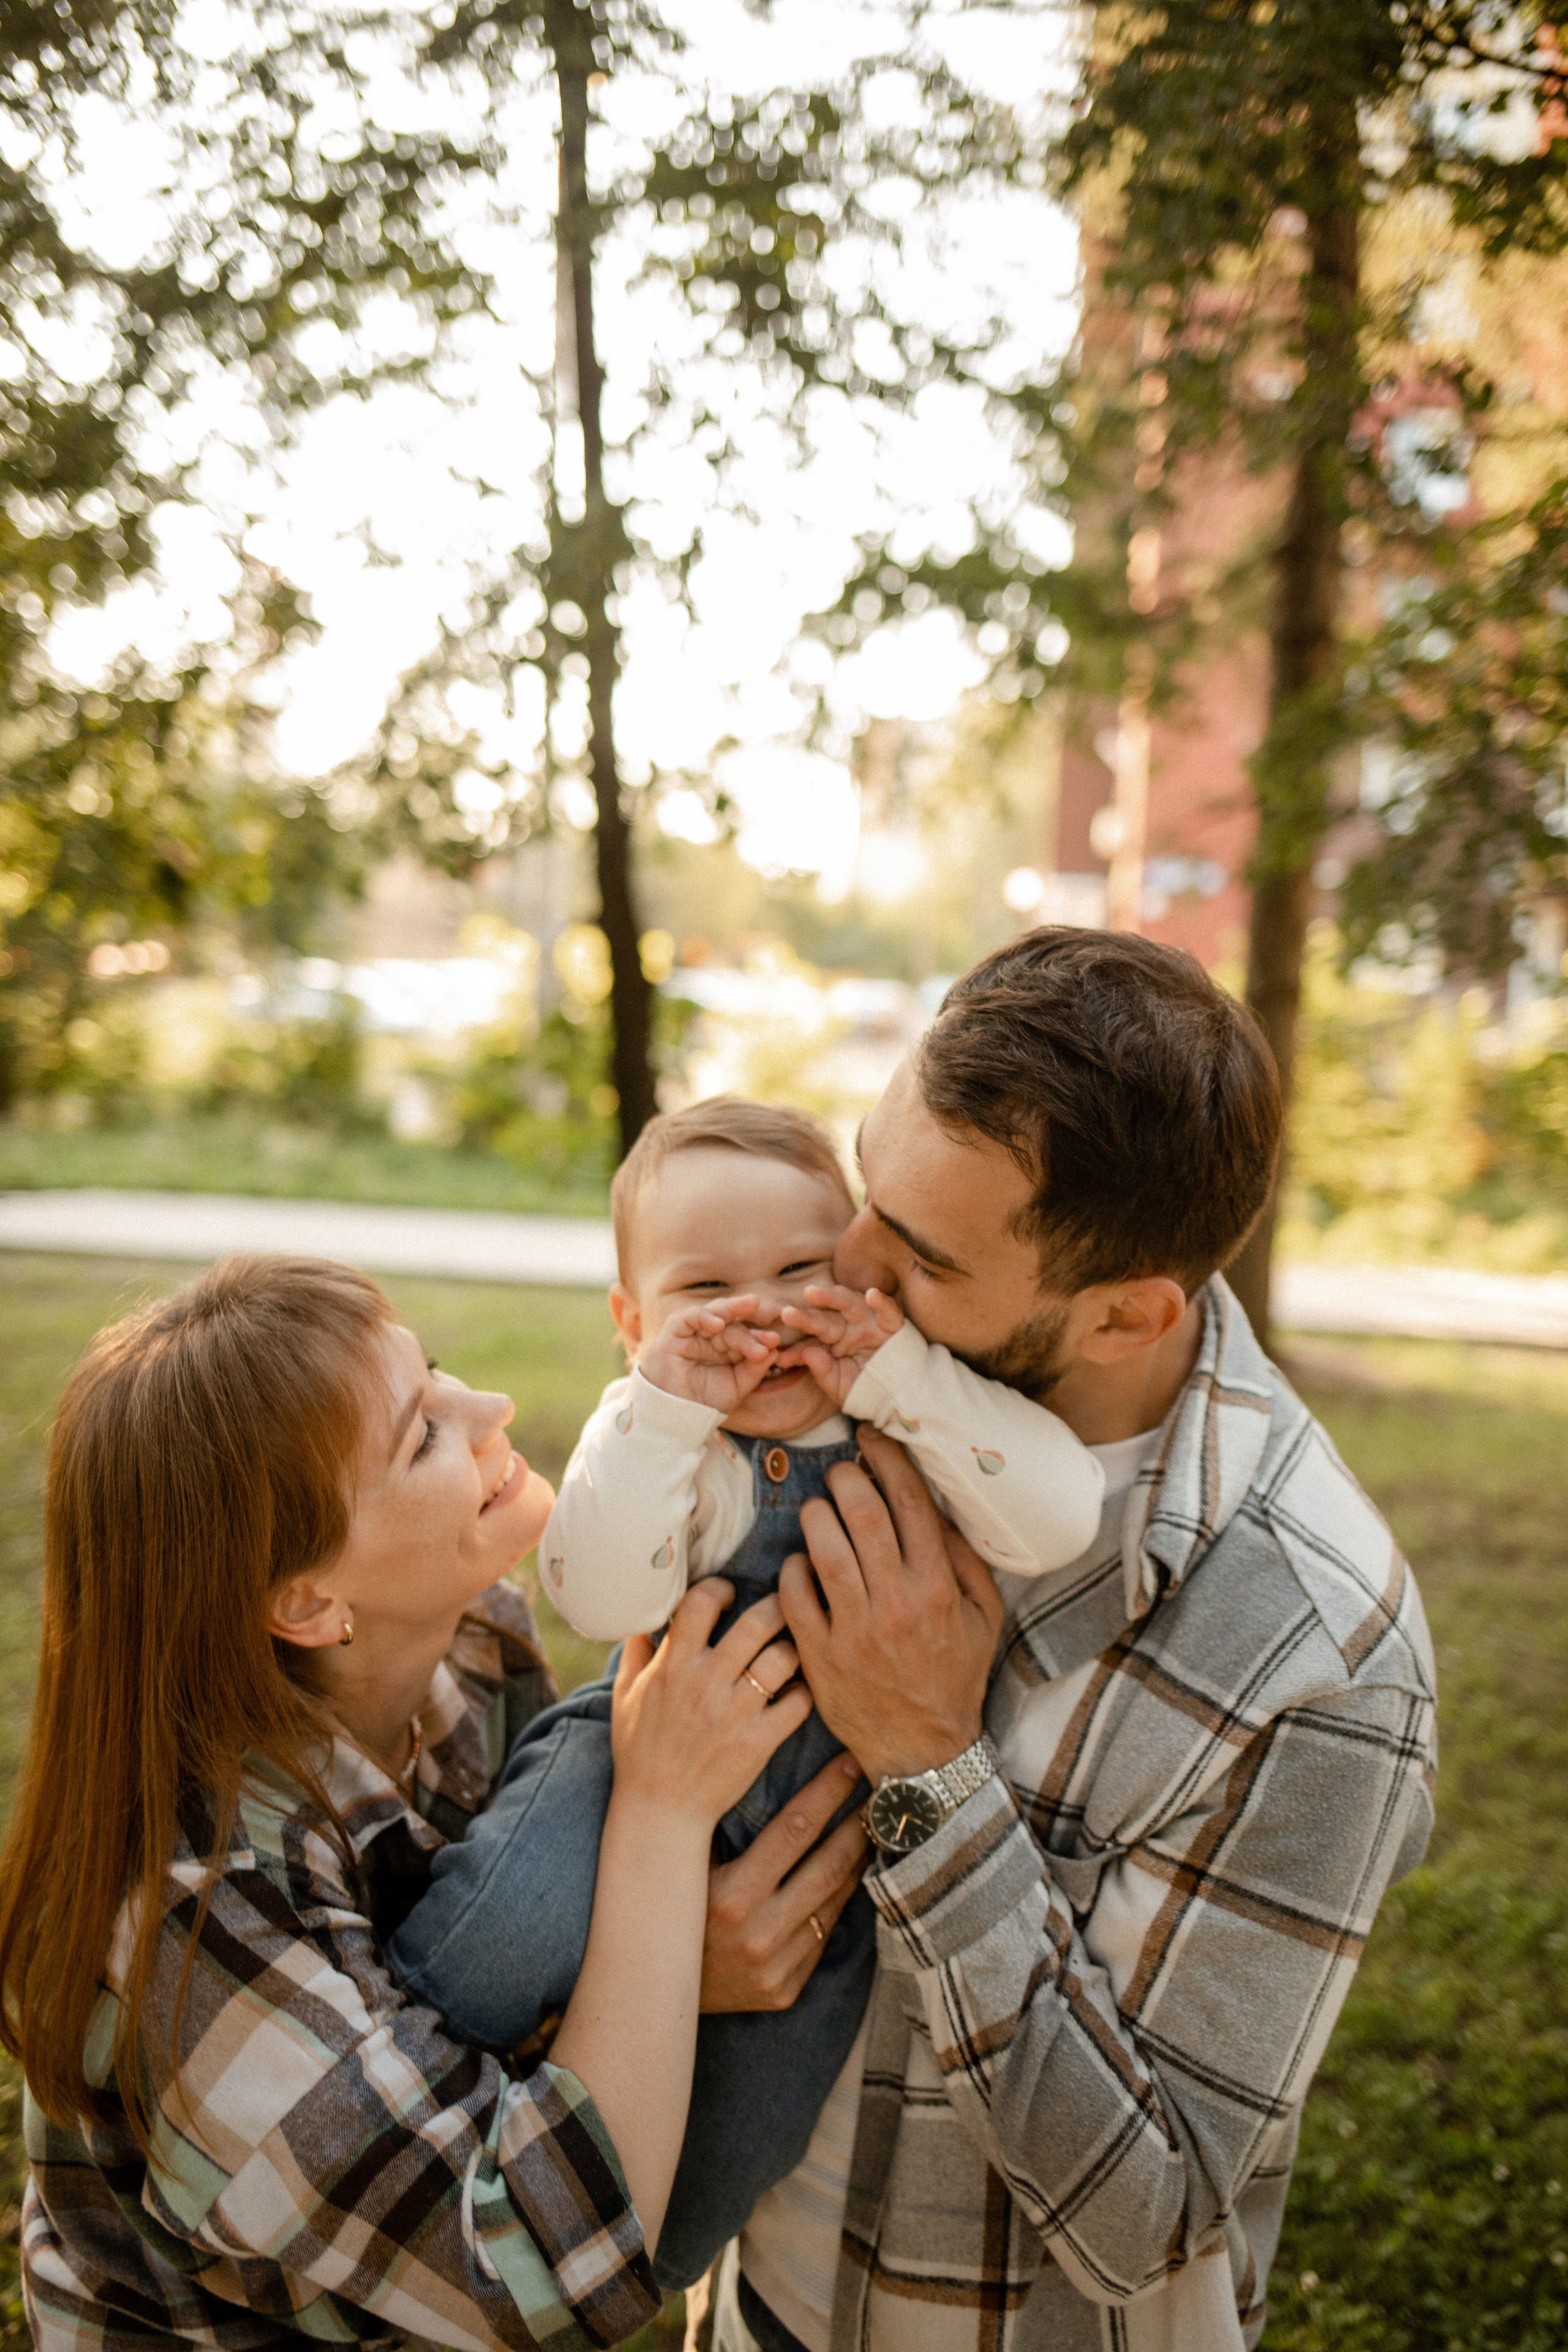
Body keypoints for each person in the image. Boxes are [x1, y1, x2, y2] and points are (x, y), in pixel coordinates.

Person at [714, 927, 1438, 2352]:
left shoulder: (1319, 1662)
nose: (847, 1265)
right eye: (870, 1187)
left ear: (1125, 1313)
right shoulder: (863, 1396)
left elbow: (1150, 2218)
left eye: (917, 1256)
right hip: (746, 2310)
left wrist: (927, 1764)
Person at [0, 1254, 861, 2351]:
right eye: (420, 1435)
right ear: (310, 1601)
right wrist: (662, 1820)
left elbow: (509, 1972)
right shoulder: (191, 1912)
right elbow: (540, 2278)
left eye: (438, 1372)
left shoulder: (478, 1642)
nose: (489, 1407)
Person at [388, 1098, 1104, 2288]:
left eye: (801, 1273)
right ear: (631, 1324)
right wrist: (665, 1410)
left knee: (742, 2134)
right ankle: (397, 2098)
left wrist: (901, 1377)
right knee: (493, 1946)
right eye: (703, 1294)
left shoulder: (917, 1416)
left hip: (826, 1830)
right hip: (630, 1762)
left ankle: (599, 2270)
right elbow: (598, 1593)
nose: (759, 1318)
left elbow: (1059, 1512)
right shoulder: (661, 1434)